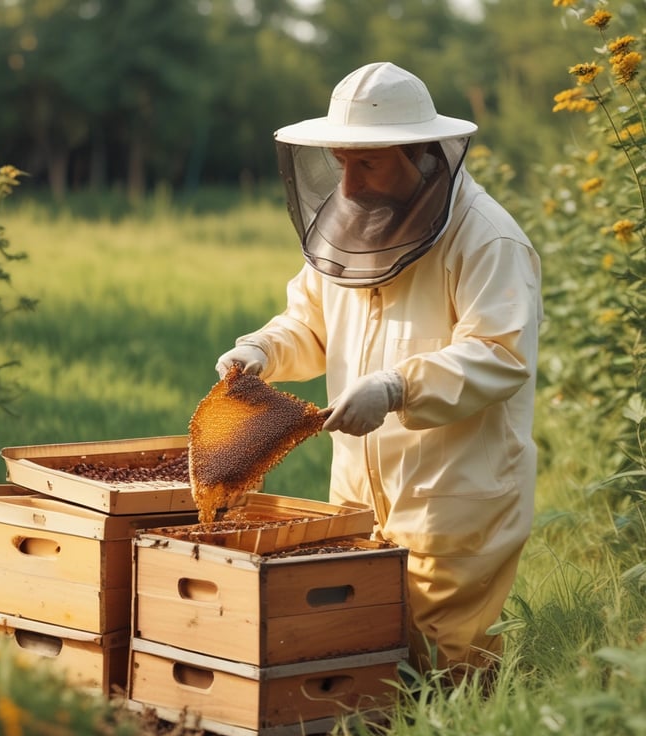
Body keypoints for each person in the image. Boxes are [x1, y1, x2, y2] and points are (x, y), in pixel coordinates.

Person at [215, 62, 542, 684]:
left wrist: (397, 387)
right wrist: (260, 349)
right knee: (364, 658)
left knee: (445, 670)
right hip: (358, 492)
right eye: (339, 161)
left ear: (420, 153)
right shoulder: (347, 228)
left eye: (366, 162)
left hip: (454, 497)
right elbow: (309, 325)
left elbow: (502, 354)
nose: (347, 179)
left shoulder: (488, 239)